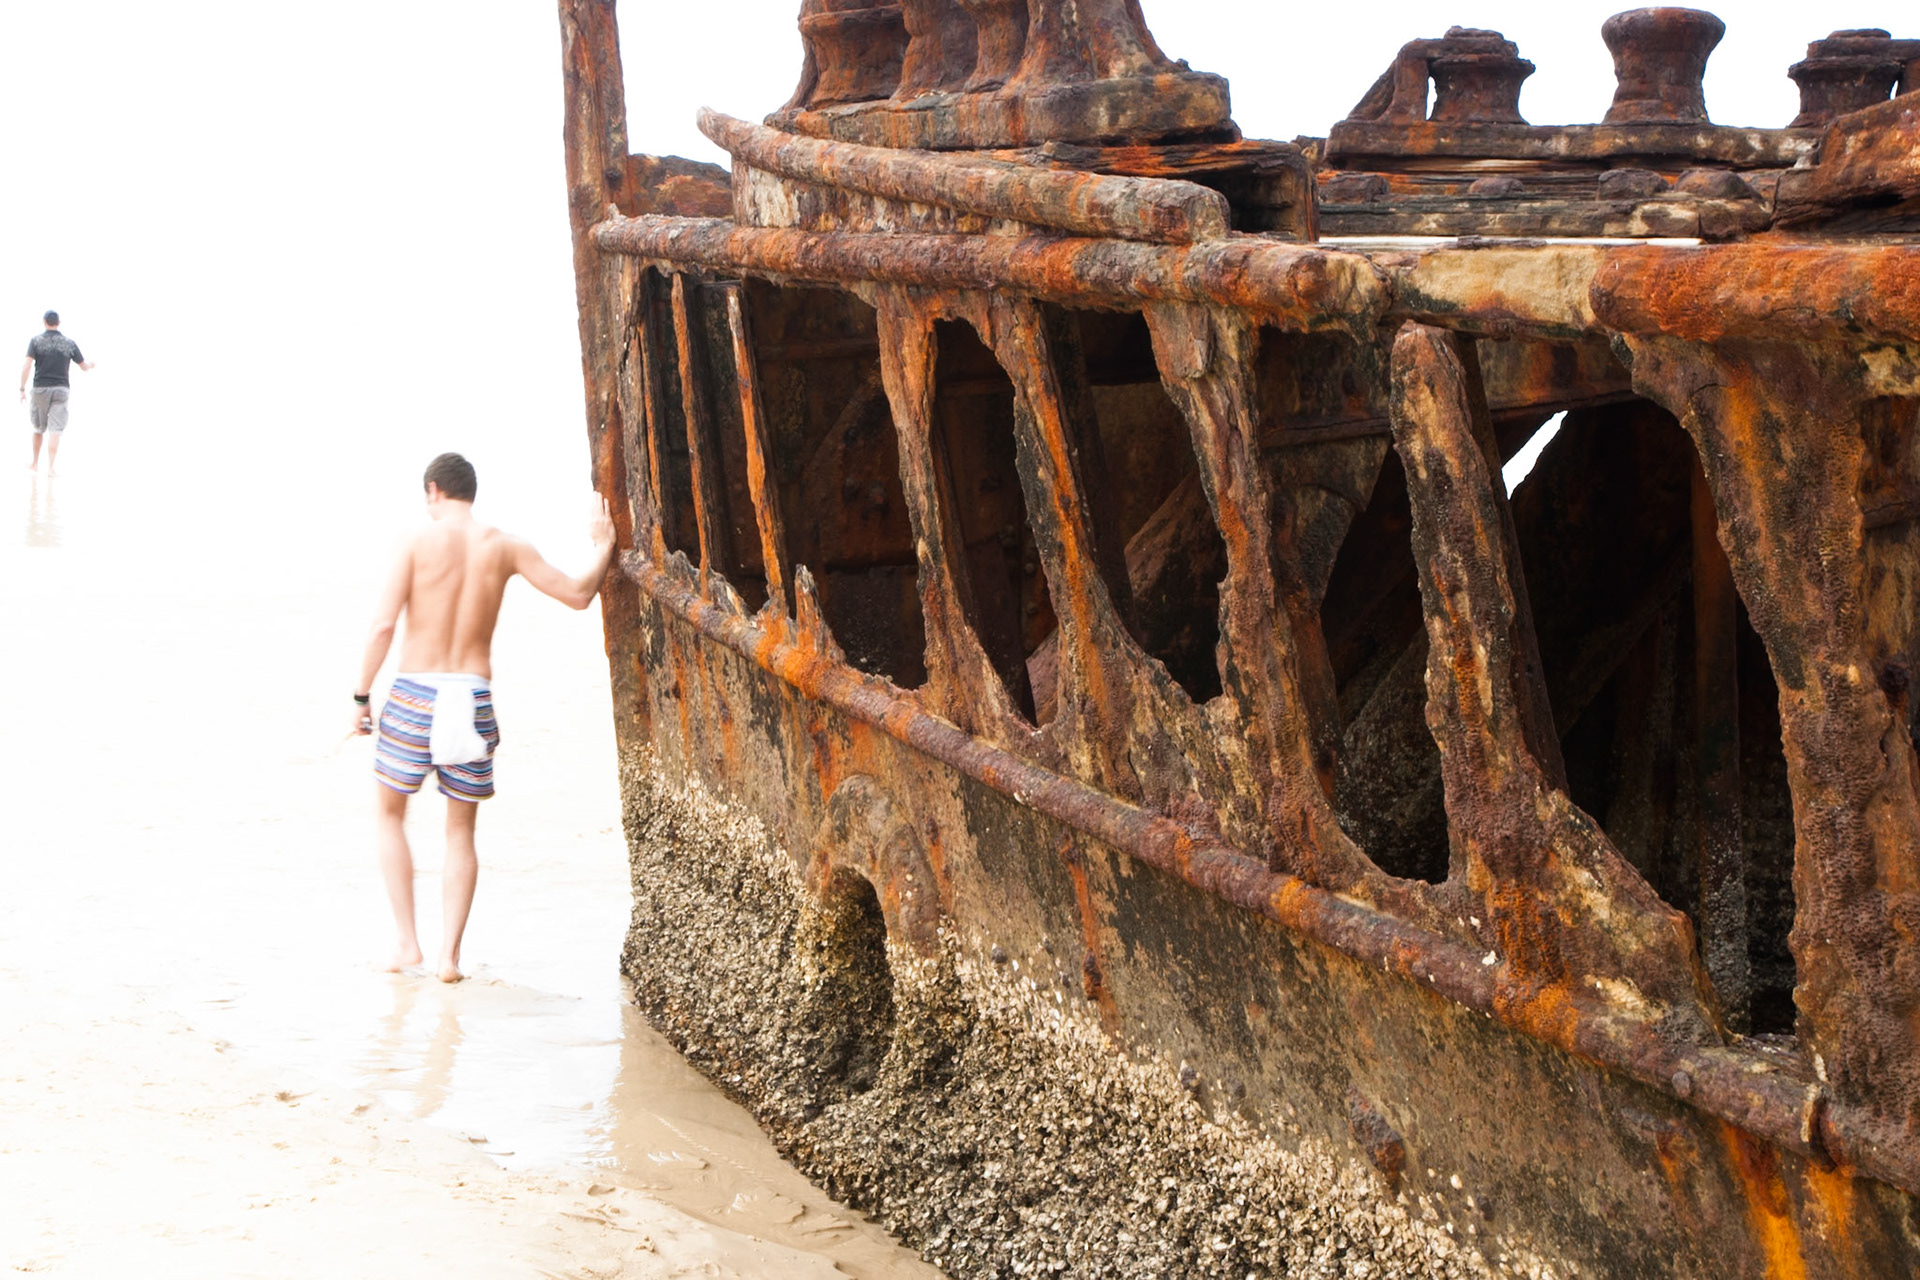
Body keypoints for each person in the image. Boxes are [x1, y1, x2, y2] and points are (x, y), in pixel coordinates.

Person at [351, 452, 616, 981]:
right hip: (471, 698)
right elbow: (578, 594)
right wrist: (603, 544)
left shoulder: (412, 542)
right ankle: (449, 959)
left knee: (387, 816)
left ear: (432, 491)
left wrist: (362, 696)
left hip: (414, 695)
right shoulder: (505, 546)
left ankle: (408, 944)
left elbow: (383, 625)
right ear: (470, 493)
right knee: (459, 833)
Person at [19, 311, 94, 475]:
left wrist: (22, 389)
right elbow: (83, 366)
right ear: (59, 323)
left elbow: (27, 366)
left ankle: (35, 463)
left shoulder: (36, 341)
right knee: (55, 429)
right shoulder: (69, 343)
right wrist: (91, 365)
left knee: (38, 428)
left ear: (44, 322)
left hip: (40, 389)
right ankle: (51, 467)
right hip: (61, 390)